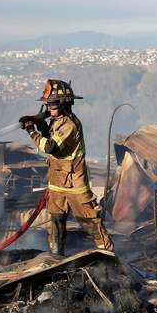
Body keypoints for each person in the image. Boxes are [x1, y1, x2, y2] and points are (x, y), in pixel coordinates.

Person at [20, 79, 114, 255]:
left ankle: (109, 256)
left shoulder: (70, 124)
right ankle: (56, 257)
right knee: (56, 222)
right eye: (47, 104)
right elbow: (50, 136)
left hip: (75, 184)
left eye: (53, 104)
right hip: (57, 182)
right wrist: (39, 123)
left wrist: (31, 130)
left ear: (64, 104)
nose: (49, 108)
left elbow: (50, 147)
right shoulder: (57, 120)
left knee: (90, 222)